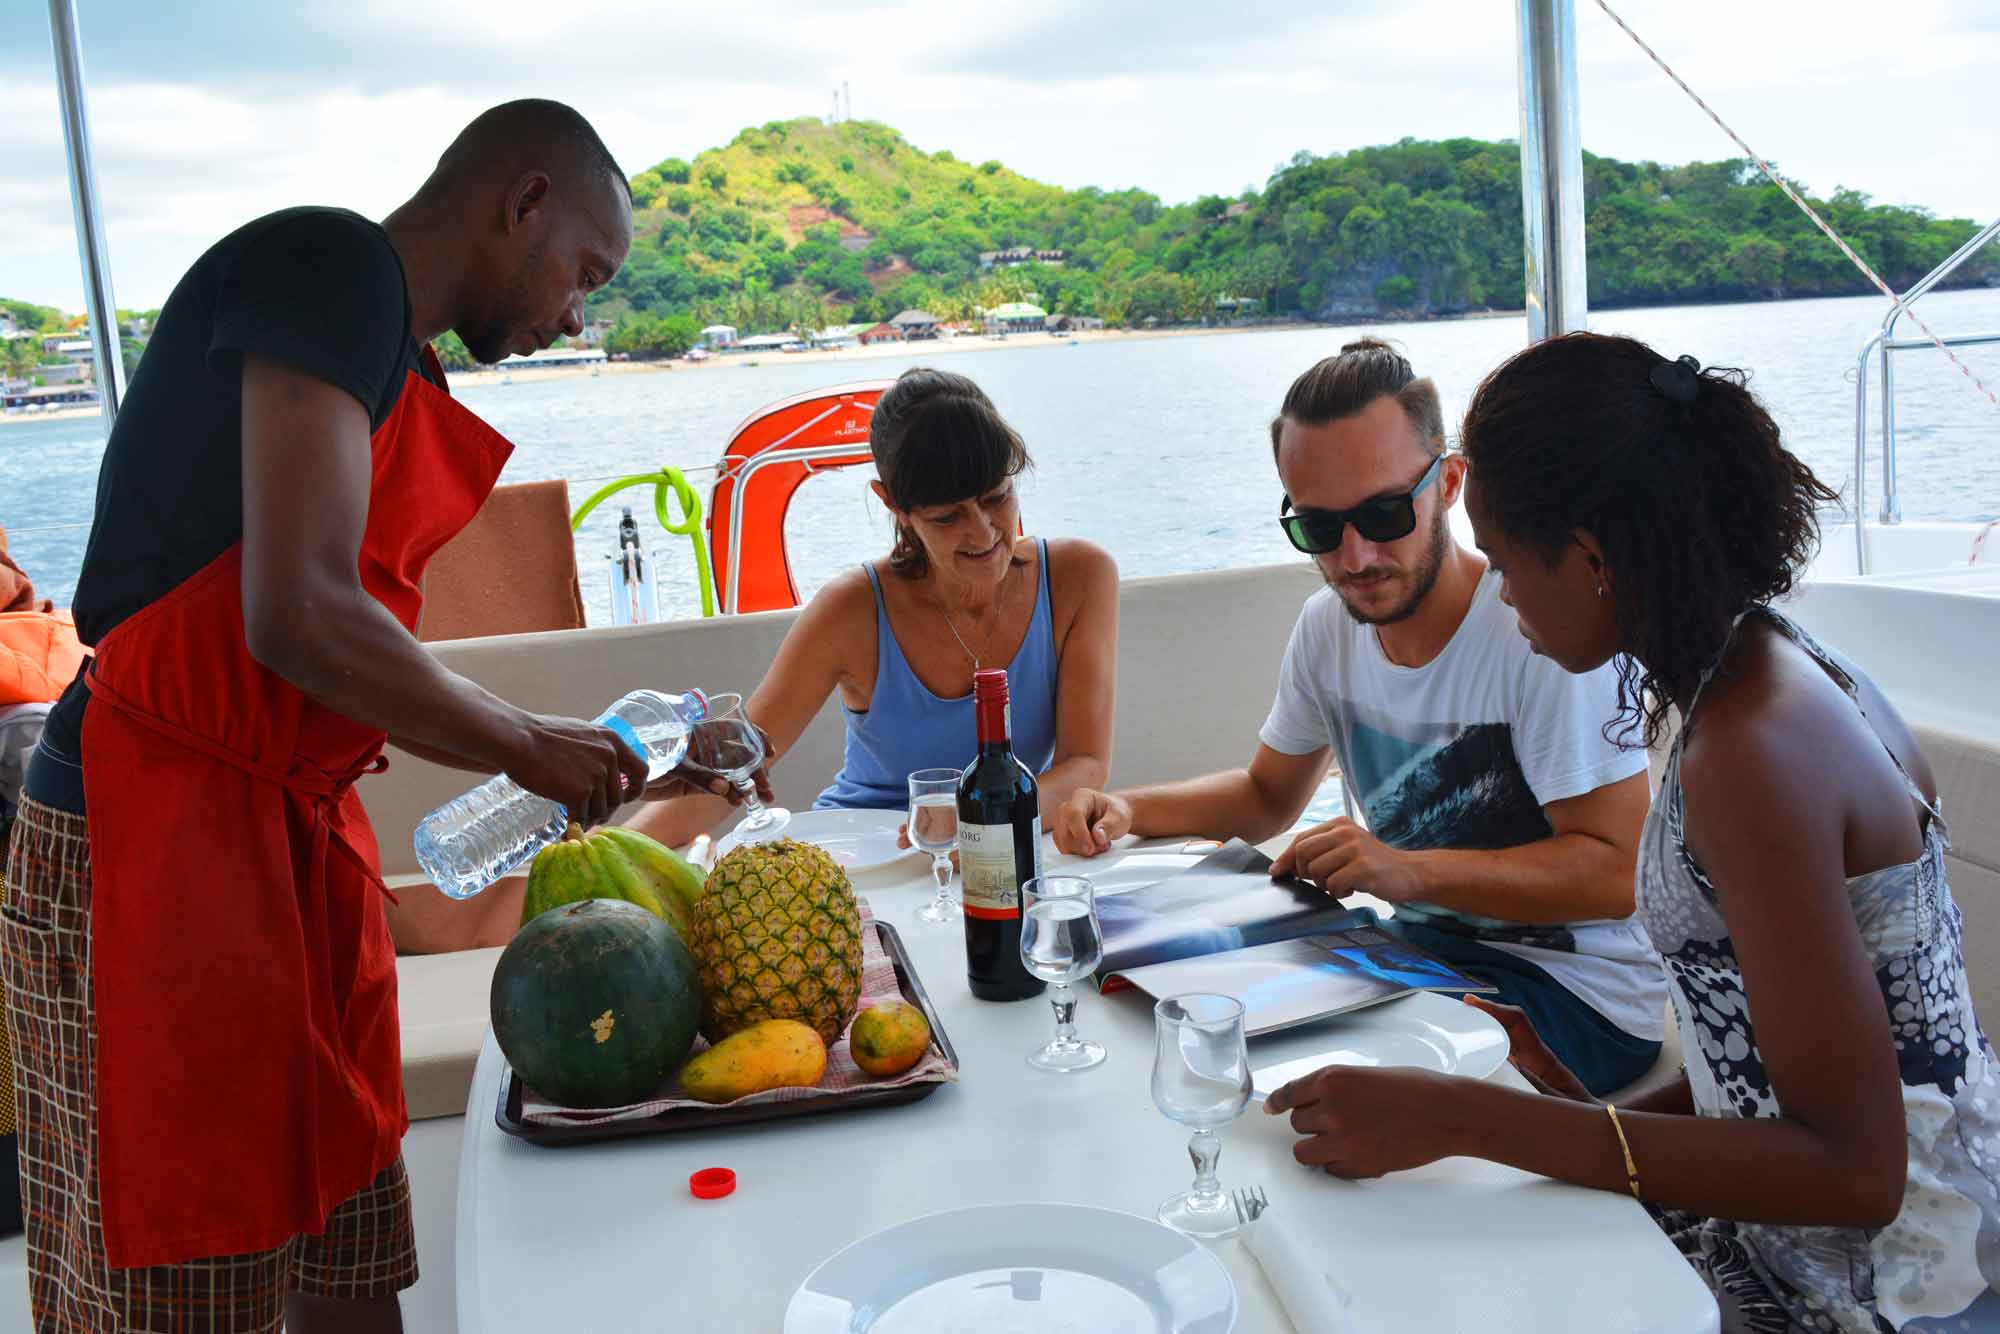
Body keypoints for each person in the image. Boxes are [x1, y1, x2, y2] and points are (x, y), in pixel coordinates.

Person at [2, 100, 729, 1334]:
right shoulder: (330, 266)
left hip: (288, 842)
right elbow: (299, 612)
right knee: (187, 1282)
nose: (576, 315)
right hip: (152, 842)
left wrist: (534, 736)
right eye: (582, 273)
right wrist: (523, 744)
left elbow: (351, 648)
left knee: (350, 1248)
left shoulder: (402, 354)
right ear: (523, 201)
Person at [1266, 332, 2000, 1332]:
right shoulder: (1772, 669)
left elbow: (1854, 1169)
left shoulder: (1749, 755)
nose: (1503, 589)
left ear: (1590, 556)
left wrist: (1464, 1117)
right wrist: (1523, 1129)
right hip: (1895, 1219)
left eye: (1510, 558)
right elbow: (1749, 1079)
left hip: (1881, 1289)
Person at [1053, 338, 1663, 1094]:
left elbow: (1618, 872)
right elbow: (1267, 796)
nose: (1355, 558)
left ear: (1448, 484)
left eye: (1381, 515)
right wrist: (1126, 806)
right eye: (1318, 528)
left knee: (1282, 1072)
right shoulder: (1327, 627)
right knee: (1169, 1007)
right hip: (1416, 952)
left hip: (1574, 995)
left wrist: (1404, 870)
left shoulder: (1537, 630)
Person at [626, 366, 1119, 847]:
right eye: (947, 517)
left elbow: (1085, 764)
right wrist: (613, 851)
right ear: (894, 507)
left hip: (995, 847)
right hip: (863, 854)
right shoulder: (850, 609)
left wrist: (971, 822)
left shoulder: (1080, 576)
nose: (984, 531)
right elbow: (739, 765)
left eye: (997, 497)